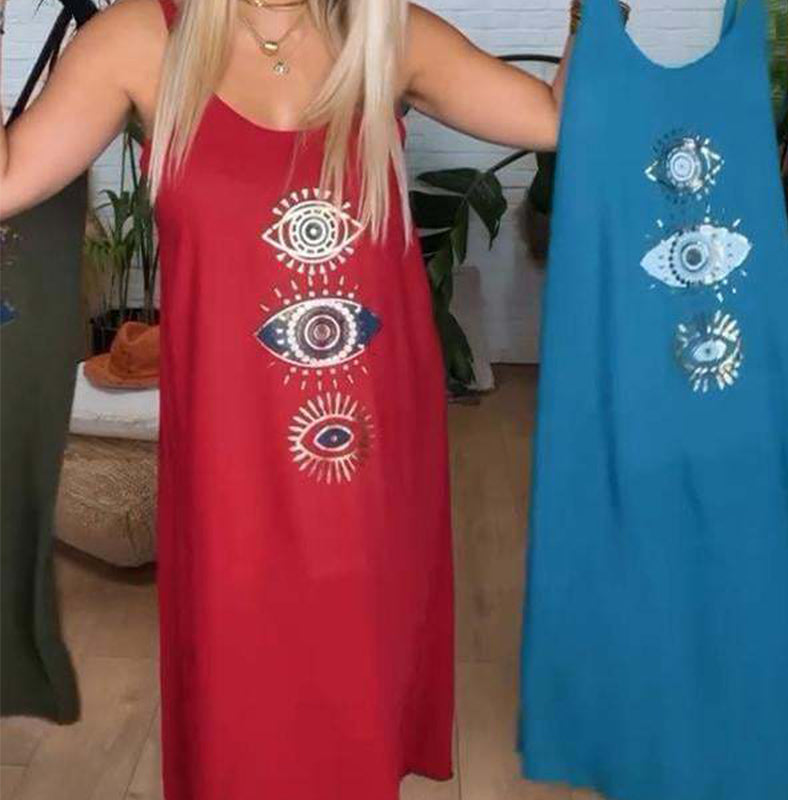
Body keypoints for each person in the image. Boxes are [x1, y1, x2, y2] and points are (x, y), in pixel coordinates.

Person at [0, 1, 569, 798]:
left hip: (367, 447)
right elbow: (10, 179)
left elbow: (554, 119)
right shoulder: (139, 39)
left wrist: (595, 13)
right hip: (230, 448)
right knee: (245, 692)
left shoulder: (385, 31)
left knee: (357, 682)